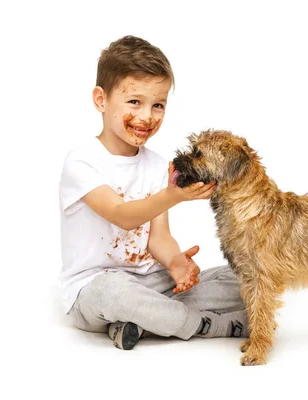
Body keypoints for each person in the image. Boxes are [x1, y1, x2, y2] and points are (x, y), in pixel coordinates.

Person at [58, 35, 248, 350]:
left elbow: (157, 237)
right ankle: (208, 325)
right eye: (135, 102)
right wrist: (173, 195)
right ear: (101, 100)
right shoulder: (82, 162)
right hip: (93, 291)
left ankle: (141, 326)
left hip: (150, 282)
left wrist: (174, 262)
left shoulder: (158, 166)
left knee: (242, 276)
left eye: (158, 105)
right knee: (116, 292)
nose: (147, 116)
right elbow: (121, 216)